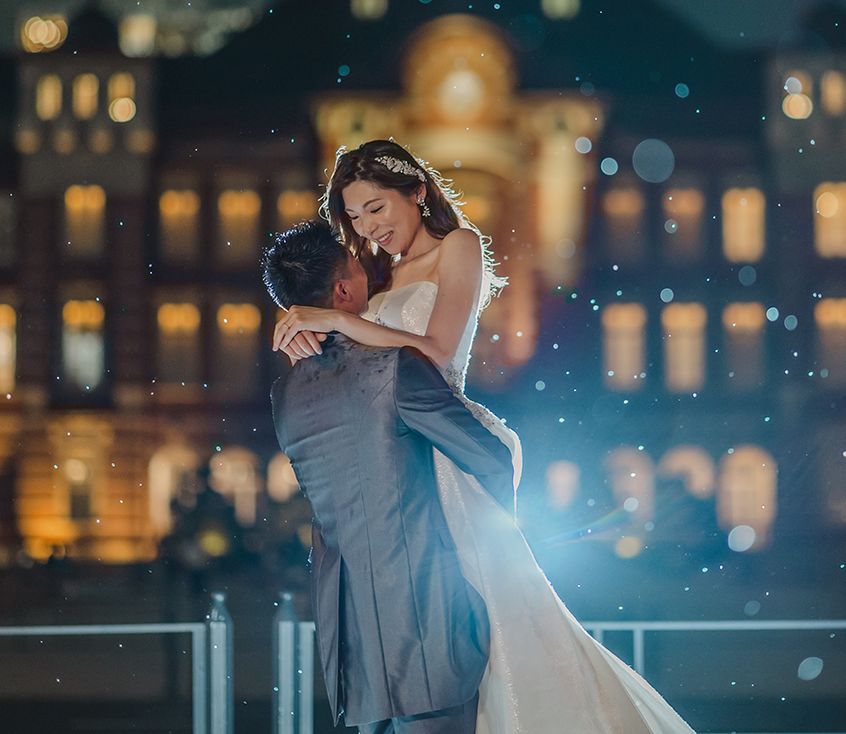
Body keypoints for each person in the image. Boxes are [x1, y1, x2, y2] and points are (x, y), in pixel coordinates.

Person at [273, 139, 695, 734]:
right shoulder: (376, 272)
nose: (369, 227)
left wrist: (343, 320)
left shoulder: (459, 248)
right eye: (355, 216)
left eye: (377, 207)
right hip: (409, 450)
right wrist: (296, 323)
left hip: (450, 443)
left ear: (417, 192)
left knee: (493, 615)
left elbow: (439, 351)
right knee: (452, 618)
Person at [264, 220, 516, 734]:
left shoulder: (286, 397)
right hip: (429, 627)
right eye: (361, 269)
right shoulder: (394, 368)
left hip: (354, 643)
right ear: (342, 290)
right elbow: (490, 458)